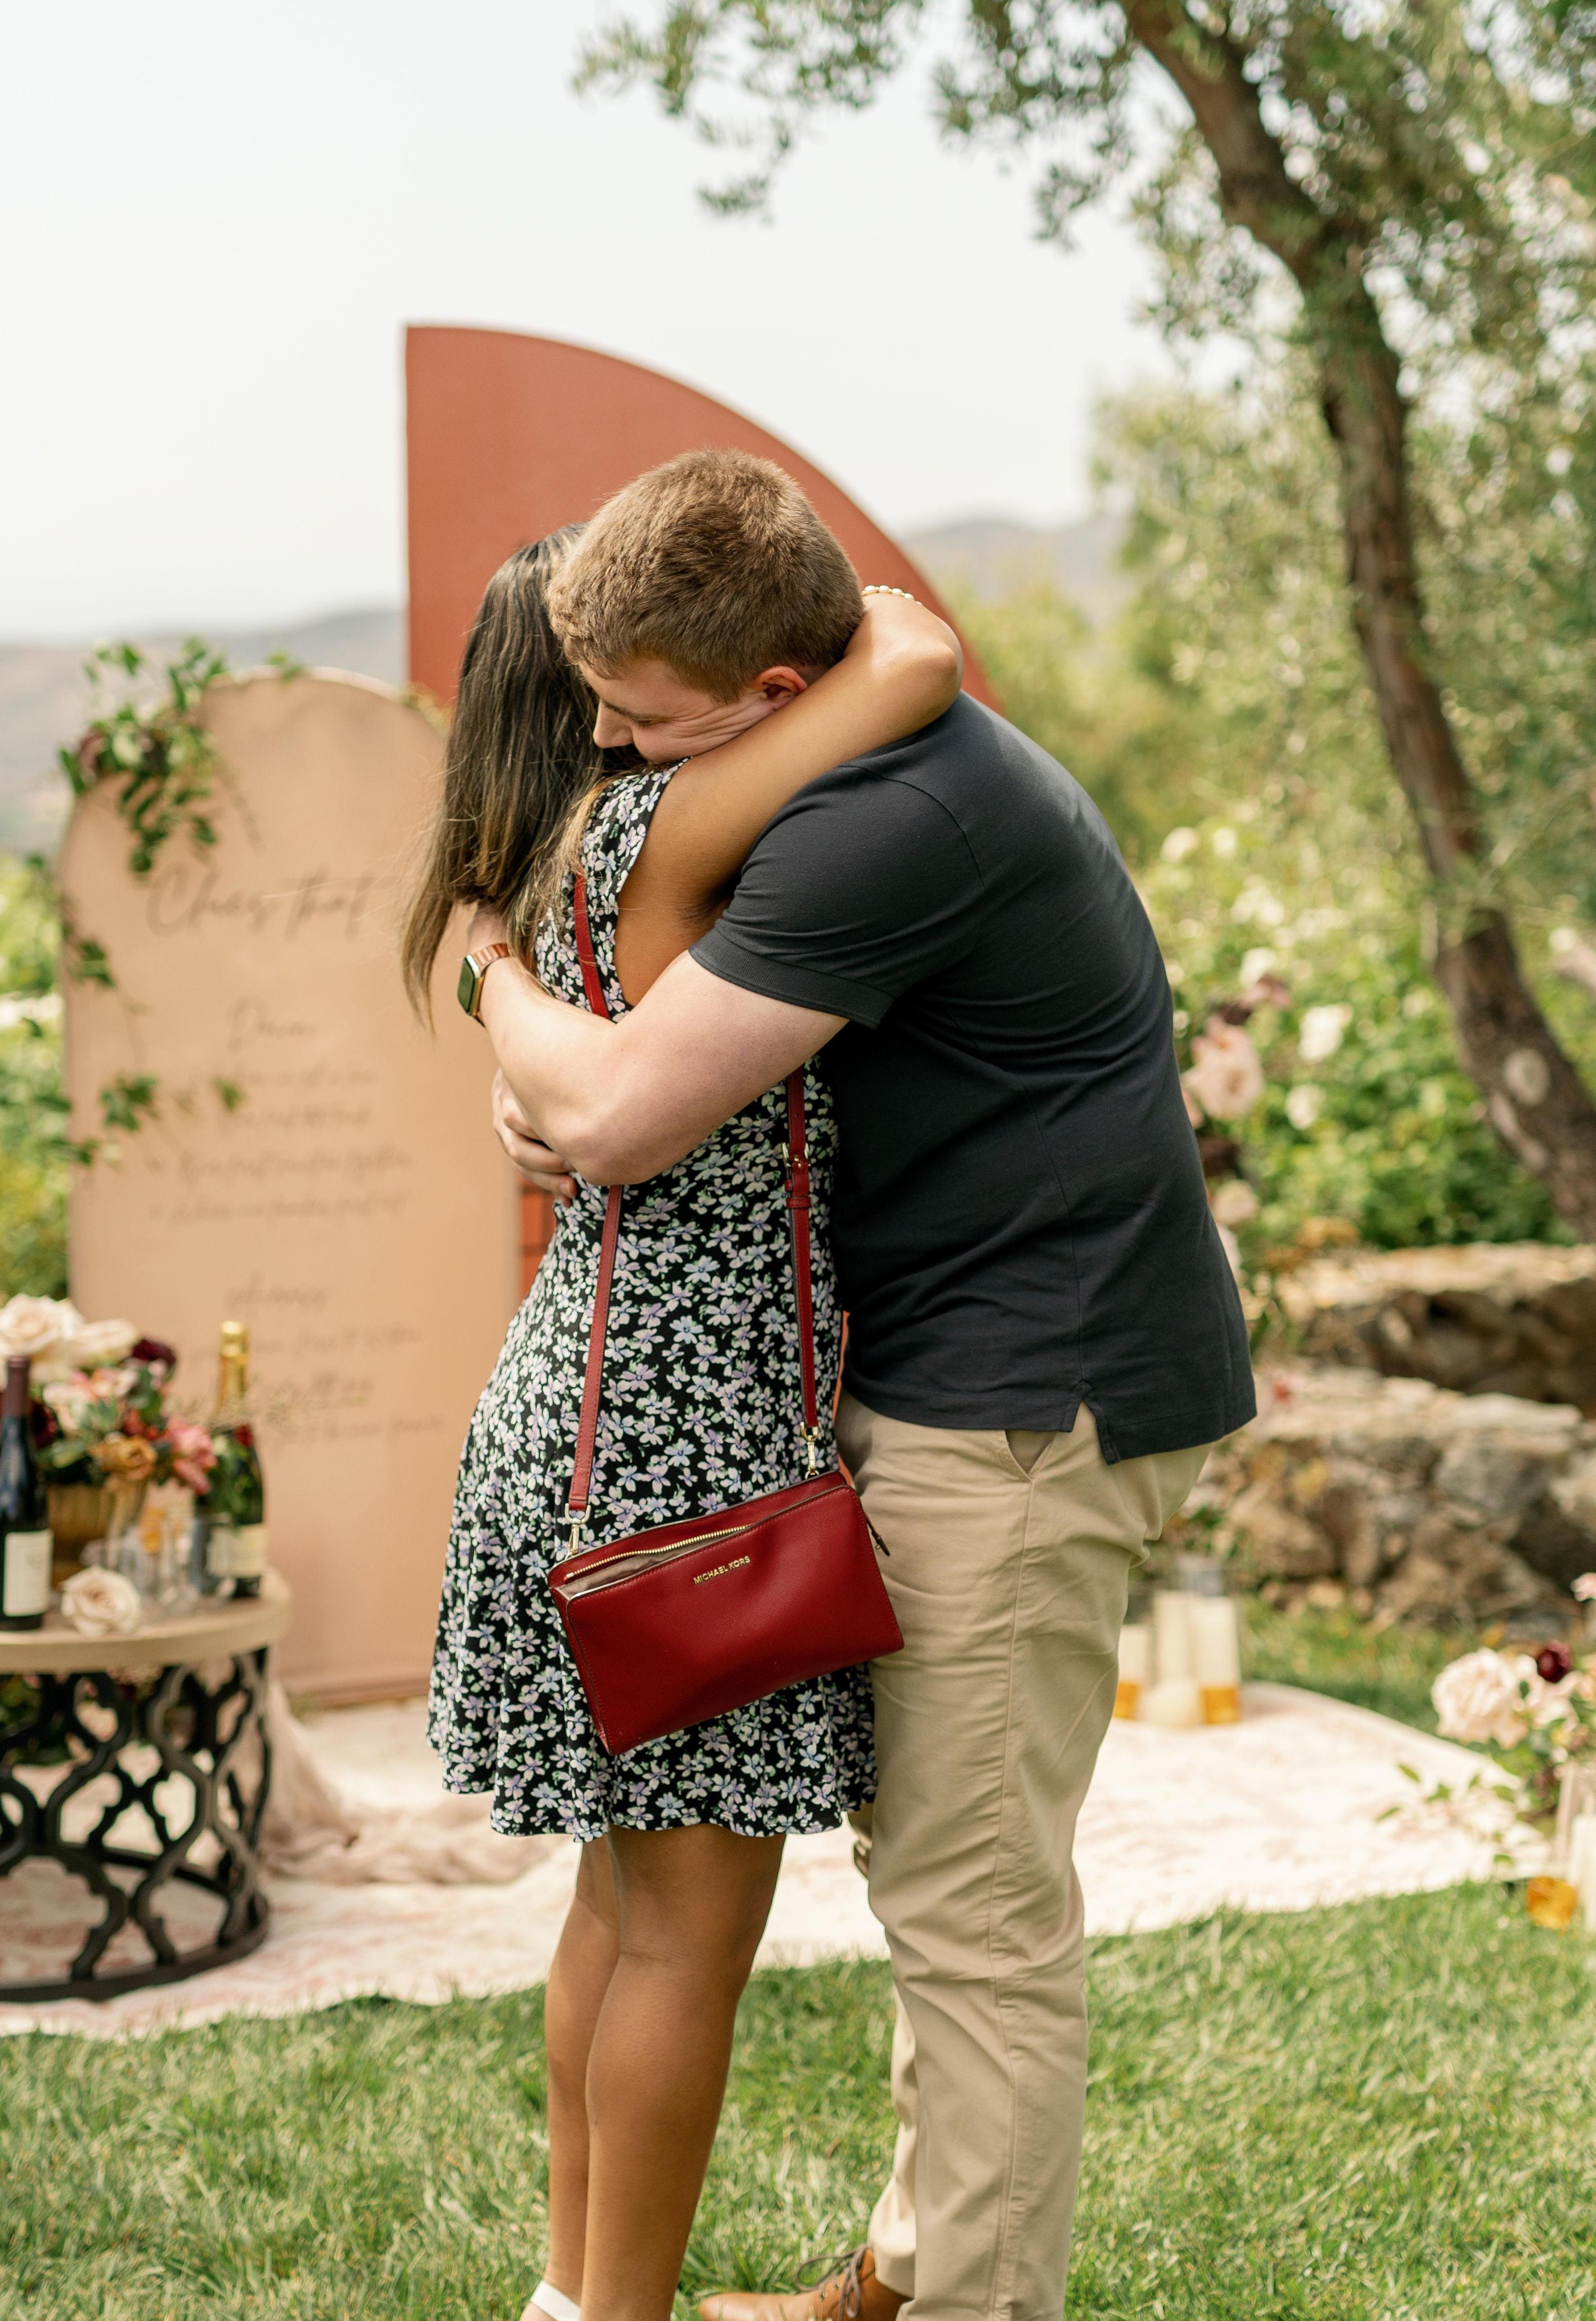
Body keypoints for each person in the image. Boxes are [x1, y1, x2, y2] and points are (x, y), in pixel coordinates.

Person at [467, 452, 1255, 2321]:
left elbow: (624, 1114)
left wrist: (502, 991)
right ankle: (905, 2272)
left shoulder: (884, 818)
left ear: (770, 693)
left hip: (1022, 1402)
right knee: (945, 1870)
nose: (610, 746)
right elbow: (620, 1079)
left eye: (643, 716)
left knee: (973, 1915)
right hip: (962, 1366)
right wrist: (539, 1071)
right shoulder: (855, 768)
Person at [405, 521, 968, 2321]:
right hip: (682, 1440)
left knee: (616, 1906)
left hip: (571, 1408)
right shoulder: (656, 832)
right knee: (688, 1943)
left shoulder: (538, 881)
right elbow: (911, 664)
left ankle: (575, 2299)